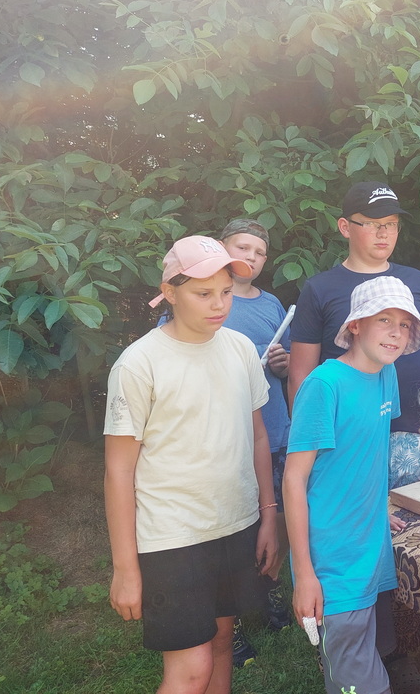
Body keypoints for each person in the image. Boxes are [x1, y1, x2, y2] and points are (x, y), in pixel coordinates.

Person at [287, 180, 420, 693]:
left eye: (404, 325)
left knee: (368, 645)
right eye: (384, 322)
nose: (396, 333)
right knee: (353, 669)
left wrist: (382, 508)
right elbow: (295, 480)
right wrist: (304, 572)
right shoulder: (324, 385)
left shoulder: (384, 375)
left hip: (370, 543)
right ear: (354, 325)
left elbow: (374, 451)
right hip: (334, 556)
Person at [104, 235, 279, 694]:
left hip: (235, 523)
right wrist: (126, 568)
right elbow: (119, 470)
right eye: (204, 293)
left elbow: (258, 436)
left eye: (226, 291)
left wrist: (268, 516)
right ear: (170, 292)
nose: (219, 304)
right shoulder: (138, 364)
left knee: (221, 643)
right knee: (192, 669)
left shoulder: (240, 349)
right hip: (172, 536)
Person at [216, 219, 294, 665]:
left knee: (276, 516)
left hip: (274, 428)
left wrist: (282, 364)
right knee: (231, 526)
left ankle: (267, 589)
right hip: (225, 436)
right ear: (222, 249)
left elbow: (287, 368)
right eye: (242, 247)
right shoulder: (207, 300)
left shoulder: (271, 304)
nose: (251, 257)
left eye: (260, 252)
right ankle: (229, 616)